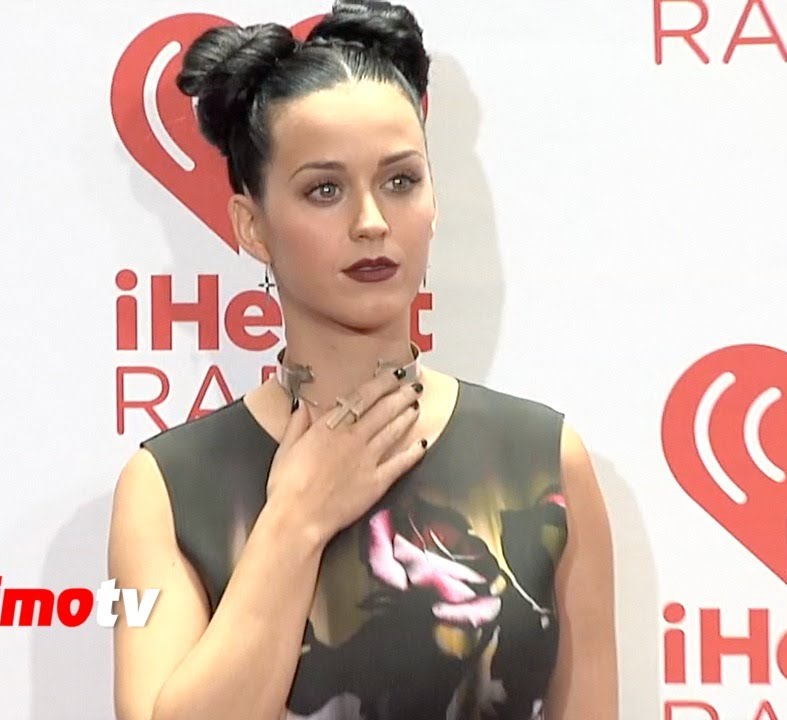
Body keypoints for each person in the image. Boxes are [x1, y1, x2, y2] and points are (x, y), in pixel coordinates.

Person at [108, 2, 617, 718]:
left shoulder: (542, 460)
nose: (372, 222)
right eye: (324, 190)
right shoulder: (170, 488)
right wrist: (297, 520)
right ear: (252, 227)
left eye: (401, 181)